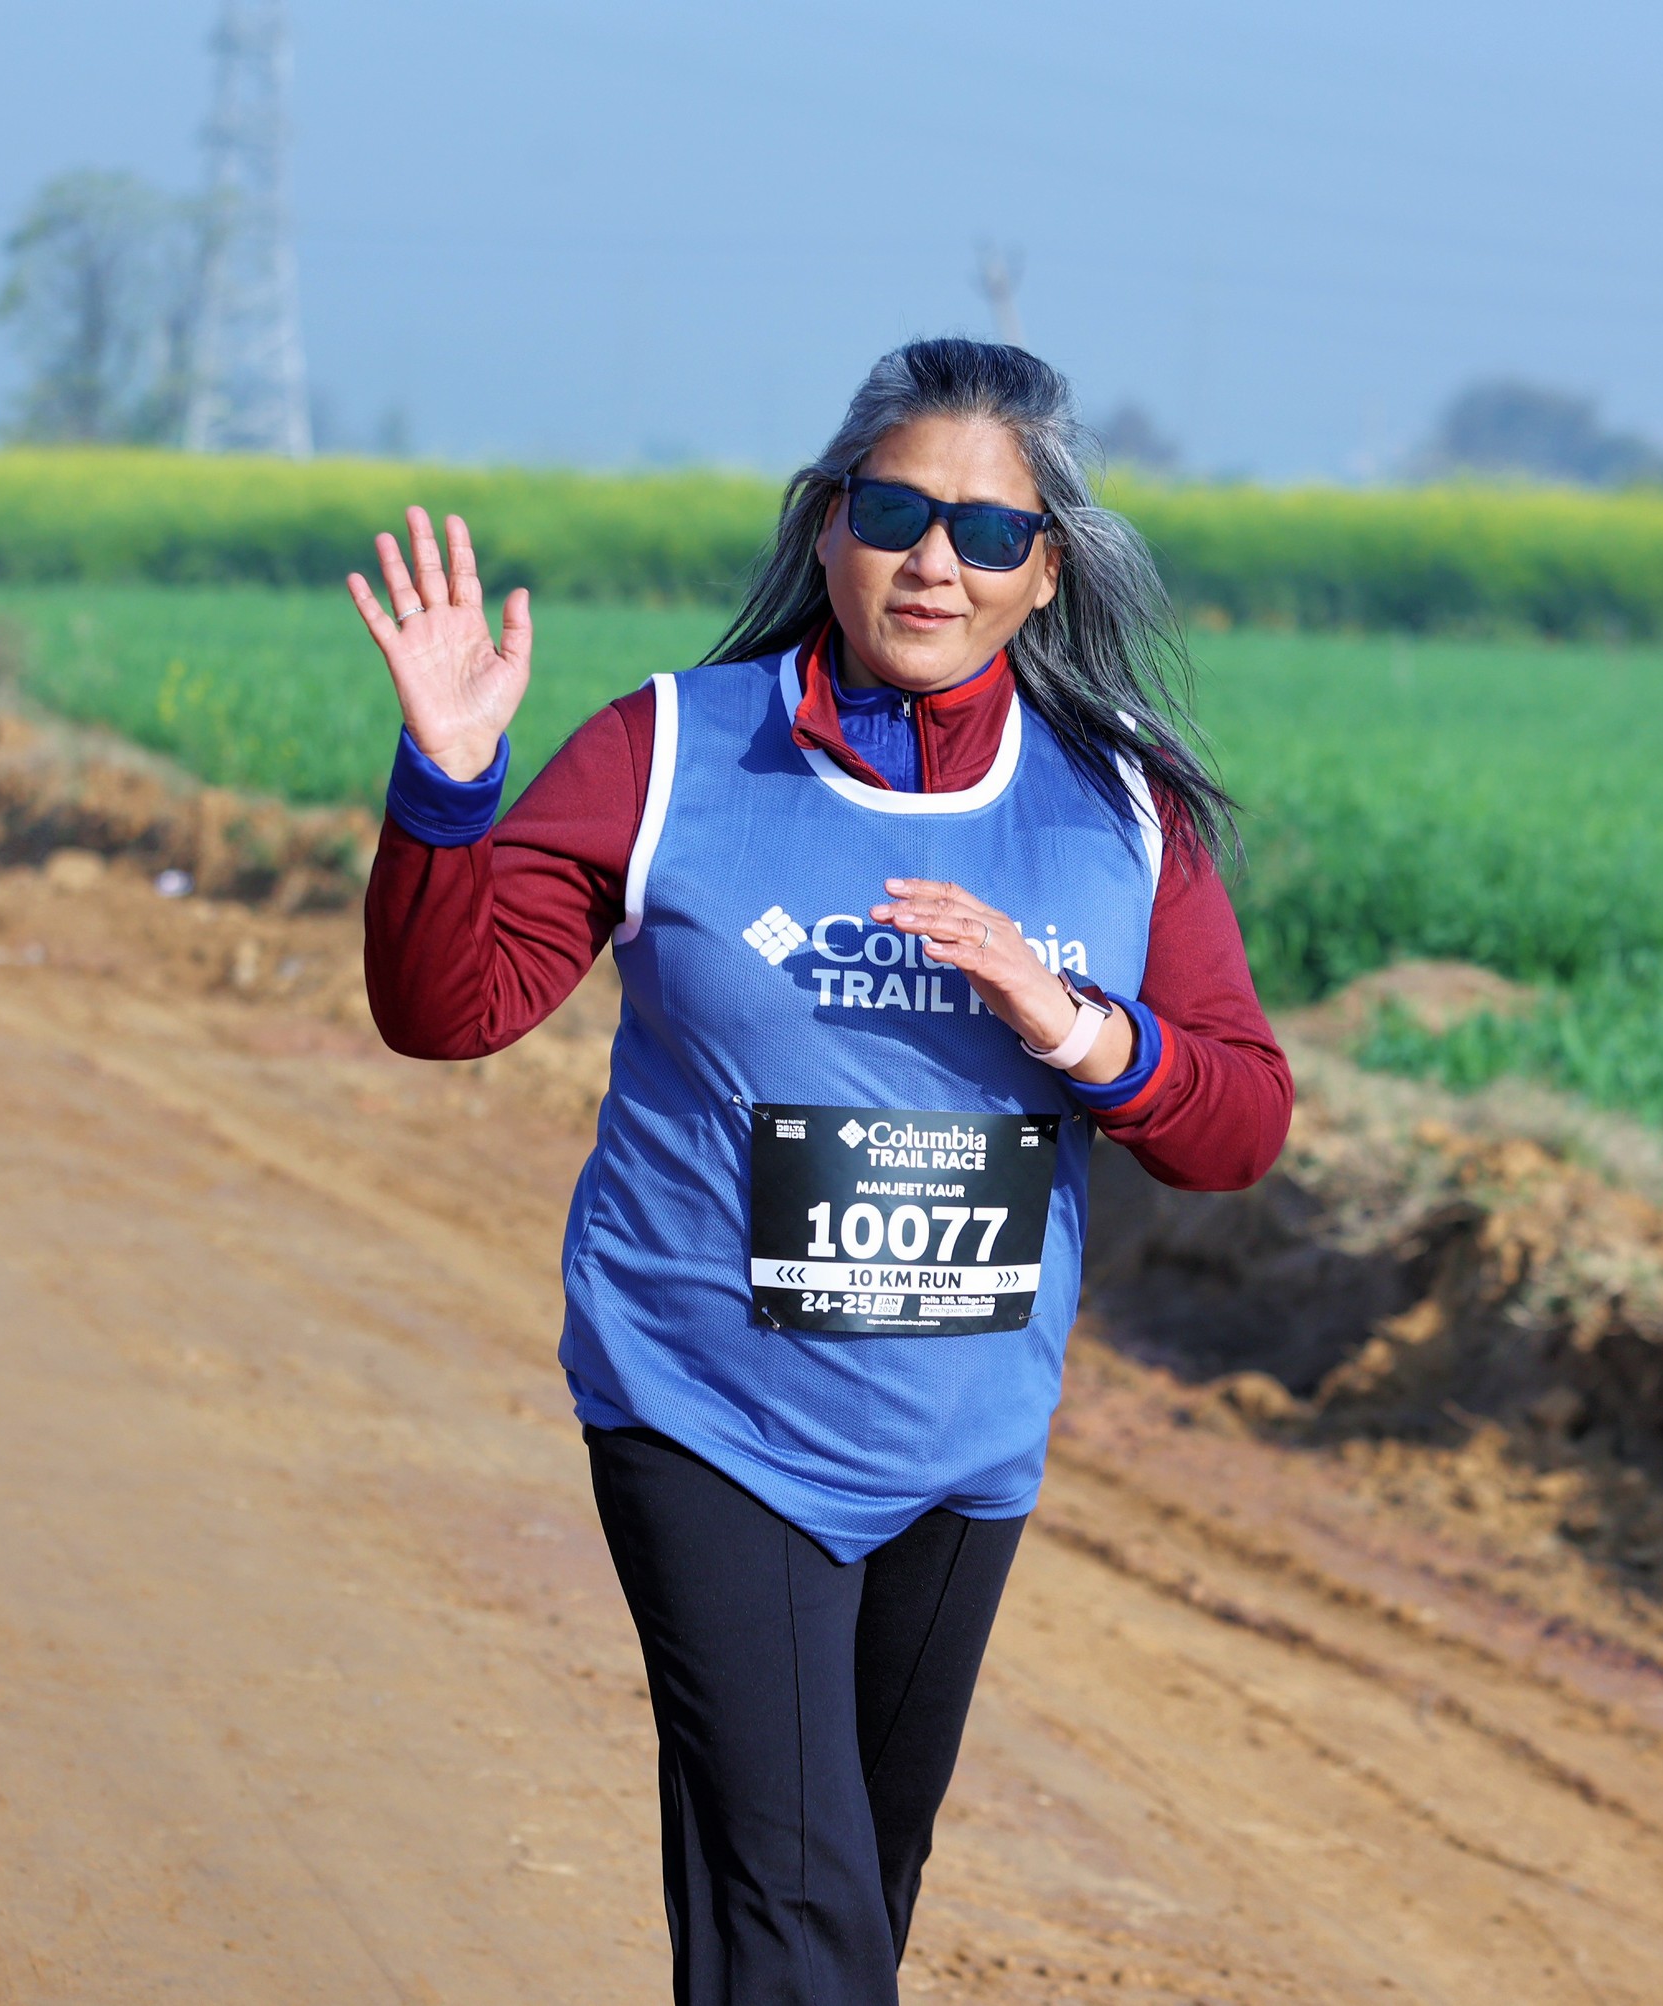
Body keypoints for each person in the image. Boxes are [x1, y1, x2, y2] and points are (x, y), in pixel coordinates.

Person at [353, 339, 1293, 2003]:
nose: (934, 559)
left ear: (1044, 572)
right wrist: (447, 784)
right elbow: (448, 1010)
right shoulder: (670, 751)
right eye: (893, 511)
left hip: (960, 1447)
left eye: (985, 532)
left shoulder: (1119, 804)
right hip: (707, 1413)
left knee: (835, 1887)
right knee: (797, 1907)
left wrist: (1072, 1023)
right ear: (823, 525)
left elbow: (1237, 1122)